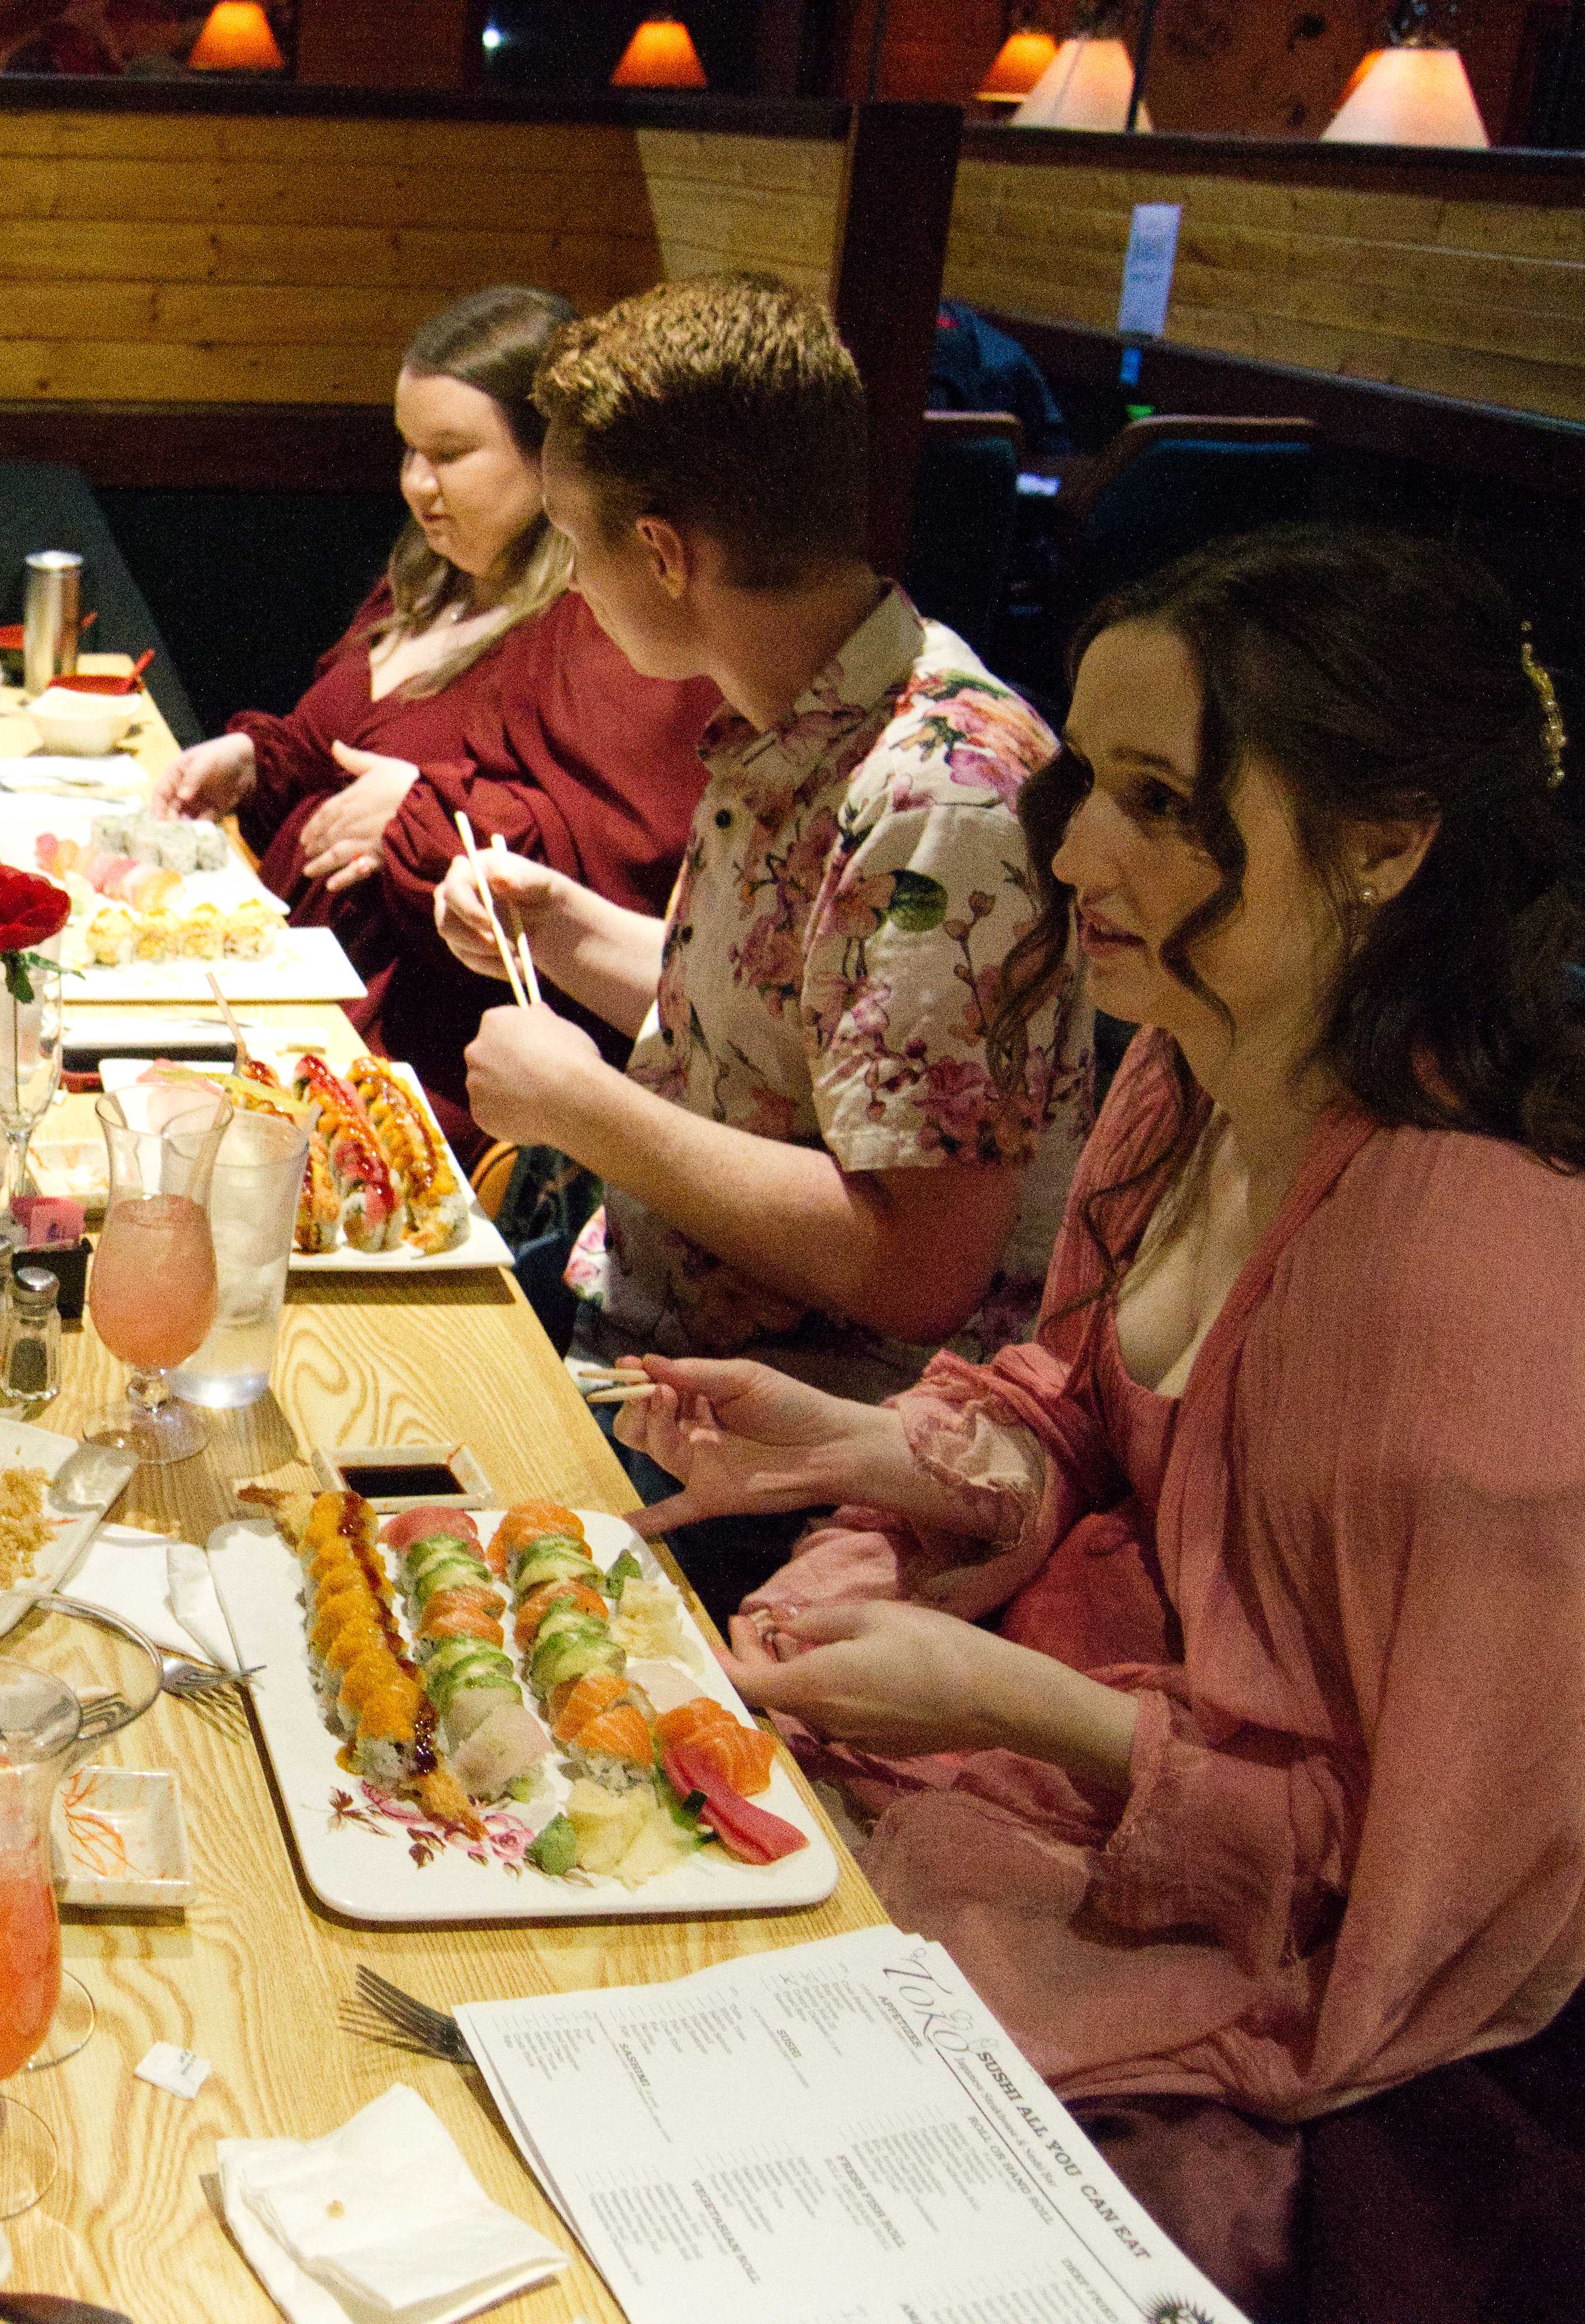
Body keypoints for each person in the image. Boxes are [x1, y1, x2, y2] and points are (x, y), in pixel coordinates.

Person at [606, 527, 1585, 2310]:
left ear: (1386, 845)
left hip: (1295, 2011)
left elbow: (1450, 1892)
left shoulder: (1496, 1292)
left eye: (1161, 801)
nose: (1074, 845)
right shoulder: (1189, 1066)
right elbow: (1077, 1401)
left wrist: (1020, 1700)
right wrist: (865, 1445)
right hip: (1064, 1795)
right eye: (1092, 776)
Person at [438, 274, 1095, 1612]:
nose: (568, 582)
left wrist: (588, 1111)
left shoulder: (938, 800)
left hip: (798, 1475)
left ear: (667, 555)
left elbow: (919, 1263)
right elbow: (782, 1037)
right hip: (649, 1358)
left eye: (576, 540)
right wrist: (569, 931)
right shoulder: (791, 711)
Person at [140, 283, 713, 1155]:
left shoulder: (601, 621)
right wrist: (253, 762)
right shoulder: (430, 575)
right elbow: (331, 744)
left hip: (421, 1070)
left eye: (449, 454)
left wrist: (424, 814)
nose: (416, 485)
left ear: (550, 457)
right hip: (288, 1003)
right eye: (408, 451)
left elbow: (614, 863)